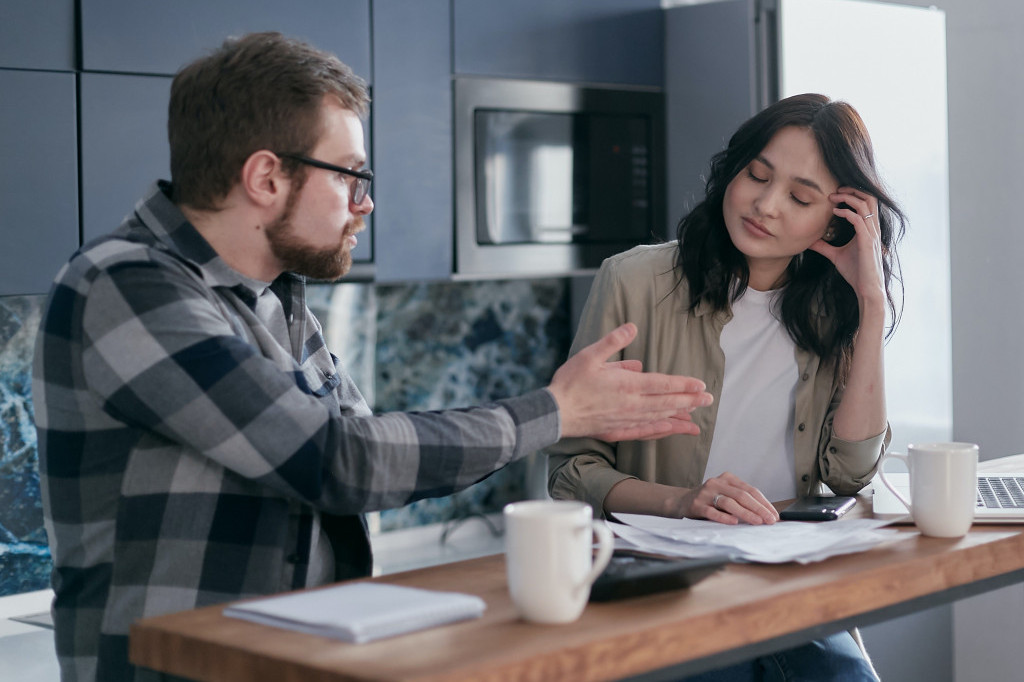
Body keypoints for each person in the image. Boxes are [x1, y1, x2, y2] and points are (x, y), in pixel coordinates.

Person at [32, 32, 715, 682]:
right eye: (350, 176)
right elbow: (336, 460)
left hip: (290, 658)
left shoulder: (277, 299)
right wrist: (555, 413)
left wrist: (555, 413)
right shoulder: (125, 285)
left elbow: (369, 454)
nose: (366, 204)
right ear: (266, 177)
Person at [548, 93, 906, 681]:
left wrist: (871, 301)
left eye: (800, 197)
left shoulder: (831, 309)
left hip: (786, 581)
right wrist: (682, 502)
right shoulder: (635, 281)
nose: (765, 205)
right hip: (665, 584)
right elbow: (570, 471)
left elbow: (848, 475)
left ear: (835, 221)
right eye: (757, 176)